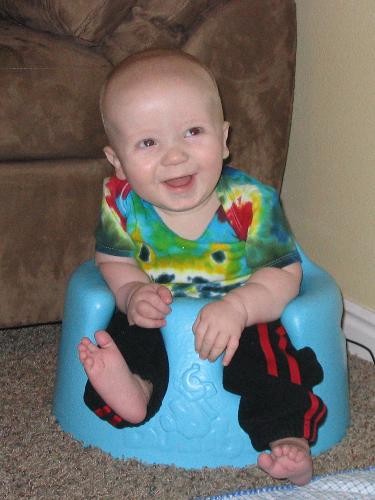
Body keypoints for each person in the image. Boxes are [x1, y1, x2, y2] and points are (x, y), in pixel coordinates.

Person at [78, 48, 326, 486]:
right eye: (148, 143)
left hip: (242, 315)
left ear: (224, 137)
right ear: (117, 160)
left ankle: (289, 437)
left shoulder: (250, 201)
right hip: (160, 312)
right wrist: (133, 292)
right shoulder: (121, 202)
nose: (174, 157)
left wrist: (241, 307)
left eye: (193, 132)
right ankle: (135, 389)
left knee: (274, 362)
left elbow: (284, 275)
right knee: (119, 338)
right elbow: (112, 260)